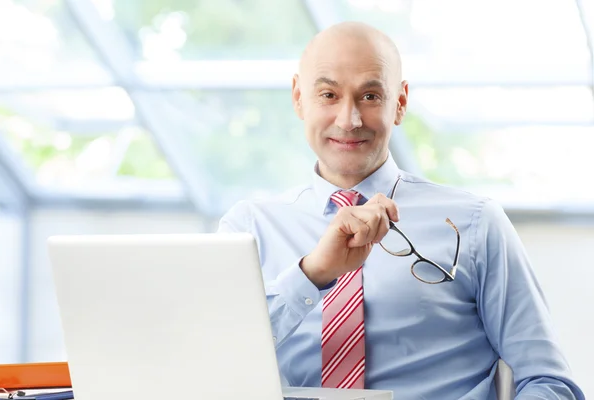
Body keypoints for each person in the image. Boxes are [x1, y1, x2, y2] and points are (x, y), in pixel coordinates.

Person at [217, 22, 584, 399]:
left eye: (371, 96)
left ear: (401, 103)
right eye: (328, 94)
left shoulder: (476, 223)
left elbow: (548, 382)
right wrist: (312, 275)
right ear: (298, 98)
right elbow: (211, 364)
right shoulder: (248, 229)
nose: (349, 120)